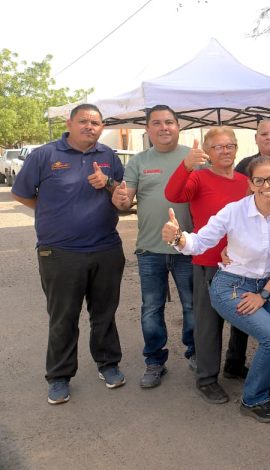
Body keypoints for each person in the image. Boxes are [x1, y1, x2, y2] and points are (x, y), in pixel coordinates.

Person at [162, 156, 270, 423]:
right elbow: (200, 242)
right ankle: (253, 399)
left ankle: (265, 379)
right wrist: (178, 238)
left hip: (265, 287)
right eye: (259, 180)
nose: (266, 185)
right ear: (250, 184)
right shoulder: (234, 211)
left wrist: (263, 295)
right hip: (231, 286)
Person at [12, 104, 126, 404]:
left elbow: (122, 196)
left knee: (104, 313)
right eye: (83, 121)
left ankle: (108, 364)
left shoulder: (108, 156)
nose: (90, 127)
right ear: (69, 123)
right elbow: (21, 193)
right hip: (59, 252)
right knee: (63, 317)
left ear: (102, 128)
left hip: (106, 248)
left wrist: (109, 183)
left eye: (96, 123)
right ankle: (59, 376)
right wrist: (52, 211)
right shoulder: (45, 155)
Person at [164, 126, 251, 404]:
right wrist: (186, 165)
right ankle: (207, 379)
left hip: (241, 263)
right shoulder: (199, 177)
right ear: (208, 152)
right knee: (208, 324)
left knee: (243, 319)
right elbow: (173, 194)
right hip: (208, 262)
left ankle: (235, 364)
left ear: (236, 149)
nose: (225, 151)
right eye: (218, 147)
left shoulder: (244, 181)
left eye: (230, 146)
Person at [111, 105, 196, 388]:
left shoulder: (193, 158)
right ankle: (154, 361)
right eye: (157, 123)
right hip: (150, 249)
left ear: (178, 126)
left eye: (169, 122)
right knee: (151, 308)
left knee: (192, 306)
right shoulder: (138, 161)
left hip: (187, 248)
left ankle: (196, 353)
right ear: (147, 129)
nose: (163, 128)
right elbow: (125, 201)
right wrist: (120, 199)